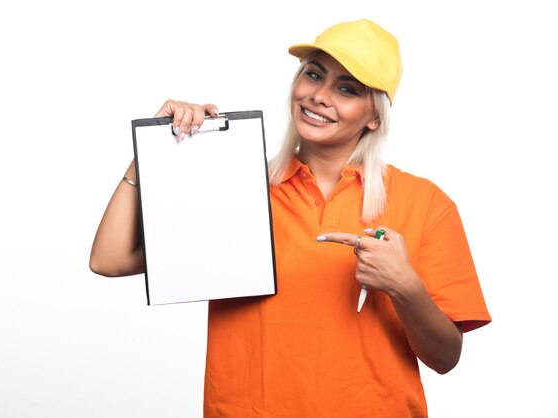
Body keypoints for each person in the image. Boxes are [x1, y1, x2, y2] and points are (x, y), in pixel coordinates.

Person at [90, 18, 491, 418]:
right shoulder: (237, 193)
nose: (319, 95)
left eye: (346, 89)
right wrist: (152, 147)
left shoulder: (426, 204)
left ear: (375, 117)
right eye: (313, 75)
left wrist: (405, 287)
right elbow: (108, 260)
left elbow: (445, 358)